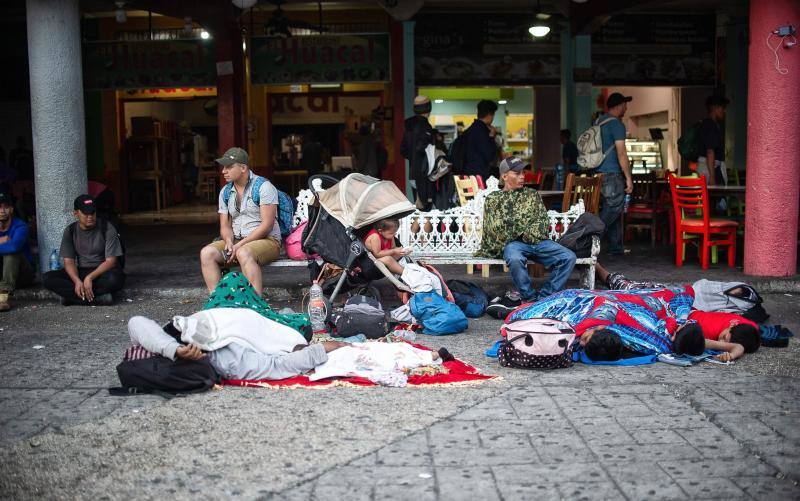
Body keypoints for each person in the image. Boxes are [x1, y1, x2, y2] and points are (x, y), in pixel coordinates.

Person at [479, 156, 577, 317]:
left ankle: (544, 299)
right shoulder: (493, 199)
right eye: (517, 173)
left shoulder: (532, 195)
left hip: (538, 242)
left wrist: (517, 226)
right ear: (504, 176)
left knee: (568, 257)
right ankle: (529, 299)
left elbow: (541, 222)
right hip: (514, 244)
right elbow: (496, 228)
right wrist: (525, 227)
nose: (523, 176)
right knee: (515, 258)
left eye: (523, 172)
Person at [506, 287, 706, 362]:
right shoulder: (665, 338)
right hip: (607, 303)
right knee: (591, 298)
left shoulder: (655, 343)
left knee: (575, 298)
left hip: (602, 306)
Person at [199, 147, 281, 295]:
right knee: (207, 253)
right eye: (223, 167)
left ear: (243, 168)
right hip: (237, 240)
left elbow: (267, 226)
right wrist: (229, 241)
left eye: (229, 167)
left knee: (243, 252)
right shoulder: (225, 192)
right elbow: (225, 225)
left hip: (268, 240)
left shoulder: (263, 187)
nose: (224, 171)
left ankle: (255, 304)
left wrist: (239, 245)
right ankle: (218, 300)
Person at [43, 195, 125, 305]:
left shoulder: (107, 227)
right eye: (86, 213)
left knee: (114, 280)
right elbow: (69, 262)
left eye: (93, 213)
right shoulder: (70, 230)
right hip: (81, 271)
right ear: (76, 214)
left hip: (102, 272)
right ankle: (99, 299)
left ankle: (72, 298)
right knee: (47, 278)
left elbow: (111, 261)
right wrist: (77, 281)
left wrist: (90, 278)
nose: (90, 216)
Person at [596, 92, 634, 256]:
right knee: (613, 208)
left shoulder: (598, 122)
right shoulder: (617, 125)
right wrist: (628, 178)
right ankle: (590, 239)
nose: (626, 107)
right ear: (619, 106)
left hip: (598, 173)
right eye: (625, 104)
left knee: (611, 208)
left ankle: (615, 247)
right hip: (612, 173)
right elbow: (621, 153)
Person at [0, 191, 34, 311]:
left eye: (6, 207)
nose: (2, 210)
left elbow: (14, 247)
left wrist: (7, 244)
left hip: (23, 274)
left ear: (12, 209)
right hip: (3, 274)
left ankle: (4, 298)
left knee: (11, 253)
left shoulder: (20, 226)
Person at [401, 96, 435, 210]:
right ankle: (416, 228)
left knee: (419, 207)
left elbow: (403, 150)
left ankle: (414, 228)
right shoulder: (425, 126)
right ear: (428, 109)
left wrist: (412, 157)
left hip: (413, 173)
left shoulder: (408, 127)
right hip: (424, 174)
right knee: (426, 209)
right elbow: (422, 148)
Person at [462, 100, 499, 180]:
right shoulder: (482, 131)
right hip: (479, 177)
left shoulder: (470, 130)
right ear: (490, 115)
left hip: (468, 174)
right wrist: (492, 136)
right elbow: (489, 156)